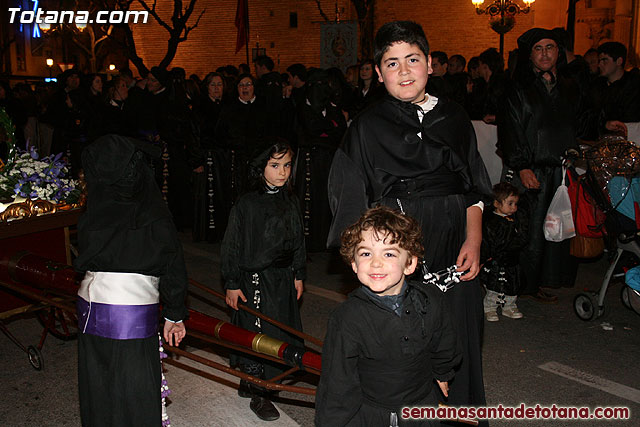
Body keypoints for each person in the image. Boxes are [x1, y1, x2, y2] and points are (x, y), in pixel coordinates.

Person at [327, 20, 492, 414]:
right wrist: (370, 257)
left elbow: (473, 185)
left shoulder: (454, 116)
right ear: (380, 73)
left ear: (430, 64)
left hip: (456, 242)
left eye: (412, 59)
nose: (404, 71)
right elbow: (350, 197)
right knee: (407, 345)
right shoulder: (366, 126)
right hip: (401, 249)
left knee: (460, 337)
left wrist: (474, 239)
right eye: (392, 63)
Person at [74, 134, 188, 427]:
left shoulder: (96, 209)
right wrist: (174, 313)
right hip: (133, 314)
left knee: (99, 384)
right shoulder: (153, 213)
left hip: (91, 308)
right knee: (135, 389)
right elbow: (172, 264)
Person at [315, 206, 460, 426]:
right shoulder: (347, 318)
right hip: (372, 412)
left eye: (389, 253)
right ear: (354, 264)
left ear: (410, 263)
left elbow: (444, 340)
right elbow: (337, 381)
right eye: (365, 253)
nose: (375, 262)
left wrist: (442, 371)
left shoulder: (431, 300)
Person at [498, 28, 588, 301]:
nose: (545, 53)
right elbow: (510, 129)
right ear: (530, 55)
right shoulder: (518, 88)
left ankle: (547, 280)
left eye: (550, 47)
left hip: (561, 171)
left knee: (557, 226)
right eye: (539, 48)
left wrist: (603, 125)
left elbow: (582, 120)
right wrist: (522, 166)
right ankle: (522, 285)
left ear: (558, 52)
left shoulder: (570, 87)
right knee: (529, 231)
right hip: (532, 169)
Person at [222, 139, 306, 422]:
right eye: (275, 166)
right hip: (255, 279)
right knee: (257, 332)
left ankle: (256, 382)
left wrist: (298, 273)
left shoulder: (290, 201)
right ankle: (259, 391)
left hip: (281, 279)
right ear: (261, 168)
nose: (282, 172)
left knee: (279, 329)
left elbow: (298, 241)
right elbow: (232, 244)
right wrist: (232, 282)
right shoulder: (247, 203)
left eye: (287, 165)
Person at [480, 182, 528, 322]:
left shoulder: (516, 220)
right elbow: (492, 243)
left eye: (515, 204)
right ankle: (490, 307)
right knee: (494, 285)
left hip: (512, 261)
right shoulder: (491, 222)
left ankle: (509, 306)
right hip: (496, 261)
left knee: (512, 284)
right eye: (510, 203)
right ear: (497, 203)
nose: (514, 208)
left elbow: (522, 238)